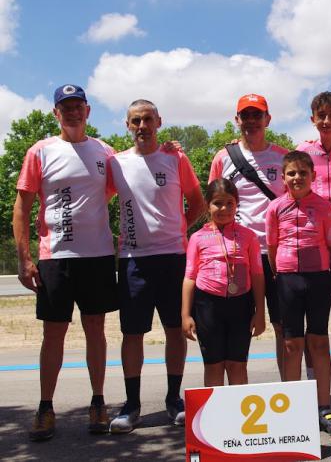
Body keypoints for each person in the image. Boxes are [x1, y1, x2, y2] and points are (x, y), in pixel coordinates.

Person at [14, 84, 118, 440]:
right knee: (53, 333)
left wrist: (167, 149)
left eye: (78, 106)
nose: (72, 112)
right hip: (55, 257)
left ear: (88, 111)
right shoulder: (40, 151)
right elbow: (22, 207)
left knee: (96, 331)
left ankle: (99, 402)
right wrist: (25, 257)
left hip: (98, 256)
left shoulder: (105, 151)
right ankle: (45, 407)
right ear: (56, 113)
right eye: (65, 107)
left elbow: (131, 178)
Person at [107, 99, 205, 433]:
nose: (142, 126)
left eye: (148, 119)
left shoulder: (175, 158)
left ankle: (172, 399)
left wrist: (179, 229)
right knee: (132, 334)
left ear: (159, 121)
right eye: (136, 120)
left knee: (175, 331)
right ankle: (131, 405)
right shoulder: (115, 163)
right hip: (134, 261)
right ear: (127, 124)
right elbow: (93, 199)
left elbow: (199, 202)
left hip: (173, 258)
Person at [209, 93, 287, 379]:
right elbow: (214, 202)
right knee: (237, 326)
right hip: (237, 254)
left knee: (283, 327)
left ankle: (289, 391)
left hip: (276, 255)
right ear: (237, 120)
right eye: (246, 115)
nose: (251, 121)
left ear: (267, 119)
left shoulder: (282, 157)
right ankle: (235, 399)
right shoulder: (224, 157)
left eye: (257, 115)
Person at [265, 151, 331, 434]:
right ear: (283, 178)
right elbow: (272, 245)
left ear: (313, 176)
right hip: (286, 278)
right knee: (291, 344)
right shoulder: (274, 208)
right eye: (291, 173)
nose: (297, 178)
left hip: (319, 278)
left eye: (303, 173)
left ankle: (323, 407)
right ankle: (293, 405)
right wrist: (281, 272)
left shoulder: (325, 208)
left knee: (319, 342)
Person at [182, 179, 266, 386]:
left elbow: (256, 274)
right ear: (208, 205)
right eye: (218, 203)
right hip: (207, 306)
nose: (224, 209)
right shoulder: (197, 238)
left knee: (237, 365)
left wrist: (260, 313)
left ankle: (238, 415)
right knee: (213, 365)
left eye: (230, 203)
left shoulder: (249, 237)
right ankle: (214, 416)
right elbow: (190, 276)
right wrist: (185, 315)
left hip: (241, 306)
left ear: (237, 204)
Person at [296, 91, 331, 367]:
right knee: (313, 319)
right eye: (321, 116)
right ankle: (315, 379)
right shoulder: (303, 153)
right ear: (312, 119)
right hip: (313, 244)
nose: (327, 120)